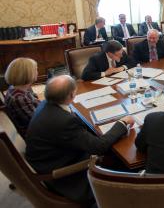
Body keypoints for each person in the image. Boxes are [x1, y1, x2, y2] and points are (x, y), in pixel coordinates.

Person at [25, 75, 134, 205]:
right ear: (72, 95)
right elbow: (99, 147)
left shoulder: (46, 105)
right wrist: (122, 123)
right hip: (66, 175)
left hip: (48, 159)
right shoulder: (63, 121)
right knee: (125, 159)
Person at [4, 58, 40, 137]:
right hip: (35, 134)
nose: (37, 72)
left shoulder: (16, 88)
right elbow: (38, 121)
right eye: (36, 70)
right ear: (27, 73)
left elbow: (35, 101)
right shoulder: (19, 98)